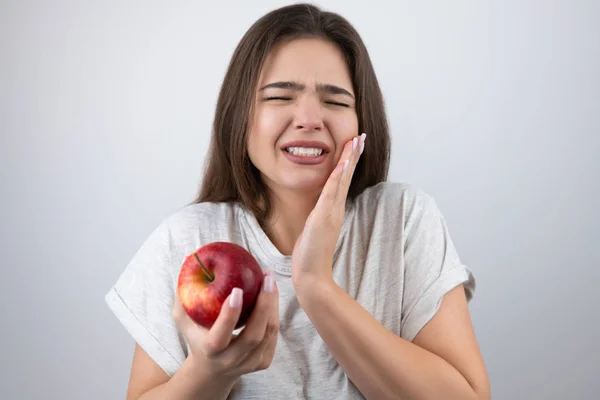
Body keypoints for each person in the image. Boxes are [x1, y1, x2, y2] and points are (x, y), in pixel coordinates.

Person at [105, 3, 490, 399]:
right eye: (279, 97)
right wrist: (209, 372)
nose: (309, 118)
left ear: (362, 122)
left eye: (336, 102)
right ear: (239, 117)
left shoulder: (403, 219)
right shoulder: (187, 237)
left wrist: (316, 287)